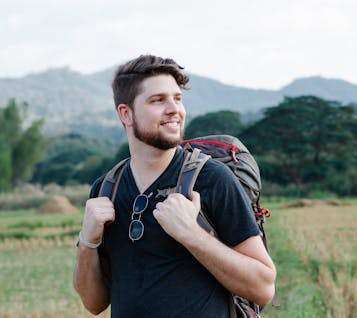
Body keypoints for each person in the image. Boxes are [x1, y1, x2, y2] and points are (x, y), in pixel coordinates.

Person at [72, 55, 276, 317]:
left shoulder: (212, 179)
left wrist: (191, 233)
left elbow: (263, 287)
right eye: (158, 100)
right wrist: (87, 242)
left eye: (177, 99)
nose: (174, 109)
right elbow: (94, 303)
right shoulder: (106, 189)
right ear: (126, 114)